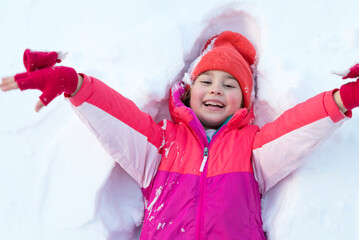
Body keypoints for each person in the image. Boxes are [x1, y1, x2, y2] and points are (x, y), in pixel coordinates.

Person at [1, 31, 358, 239]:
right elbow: (117, 118)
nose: (216, 90)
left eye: (230, 84)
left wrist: (345, 98)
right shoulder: (161, 144)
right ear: (187, 92)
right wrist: (73, 84)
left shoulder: (252, 150)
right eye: (206, 81)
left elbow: (296, 129)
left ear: (244, 102)